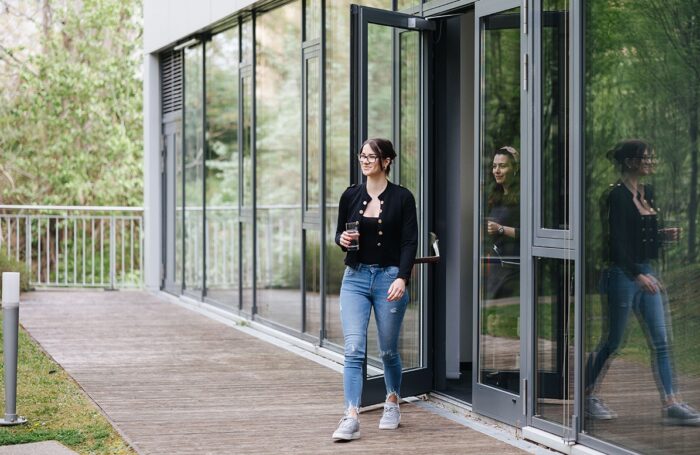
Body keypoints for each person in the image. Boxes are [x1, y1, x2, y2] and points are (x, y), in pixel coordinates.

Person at [585, 139, 700, 426]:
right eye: (646, 158)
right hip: (622, 275)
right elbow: (616, 243)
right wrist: (638, 274)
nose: (651, 162)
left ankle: (672, 403)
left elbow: (639, 237)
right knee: (613, 341)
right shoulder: (616, 196)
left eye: (651, 157)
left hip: (646, 272)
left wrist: (662, 235)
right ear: (630, 162)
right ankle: (586, 396)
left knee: (662, 341)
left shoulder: (649, 192)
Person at [331, 138, 418, 441]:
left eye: (372, 156)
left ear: (387, 161)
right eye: (362, 156)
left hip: (389, 279)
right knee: (354, 349)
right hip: (355, 278)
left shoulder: (403, 198)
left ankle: (392, 400)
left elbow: (409, 241)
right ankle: (351, 415)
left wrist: (402, 277)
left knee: (387, 350)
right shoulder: (350, 195)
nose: (365, 161)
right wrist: (340, 239)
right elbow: (340, 233)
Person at [484, 146, 520, 299]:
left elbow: (529, 234)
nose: (496, 171)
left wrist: (500, 229)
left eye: (502, 166)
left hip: (514, 268)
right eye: (494, 166)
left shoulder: (523, 197)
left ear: (515, 169)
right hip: (496, 267)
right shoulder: (495, 197)